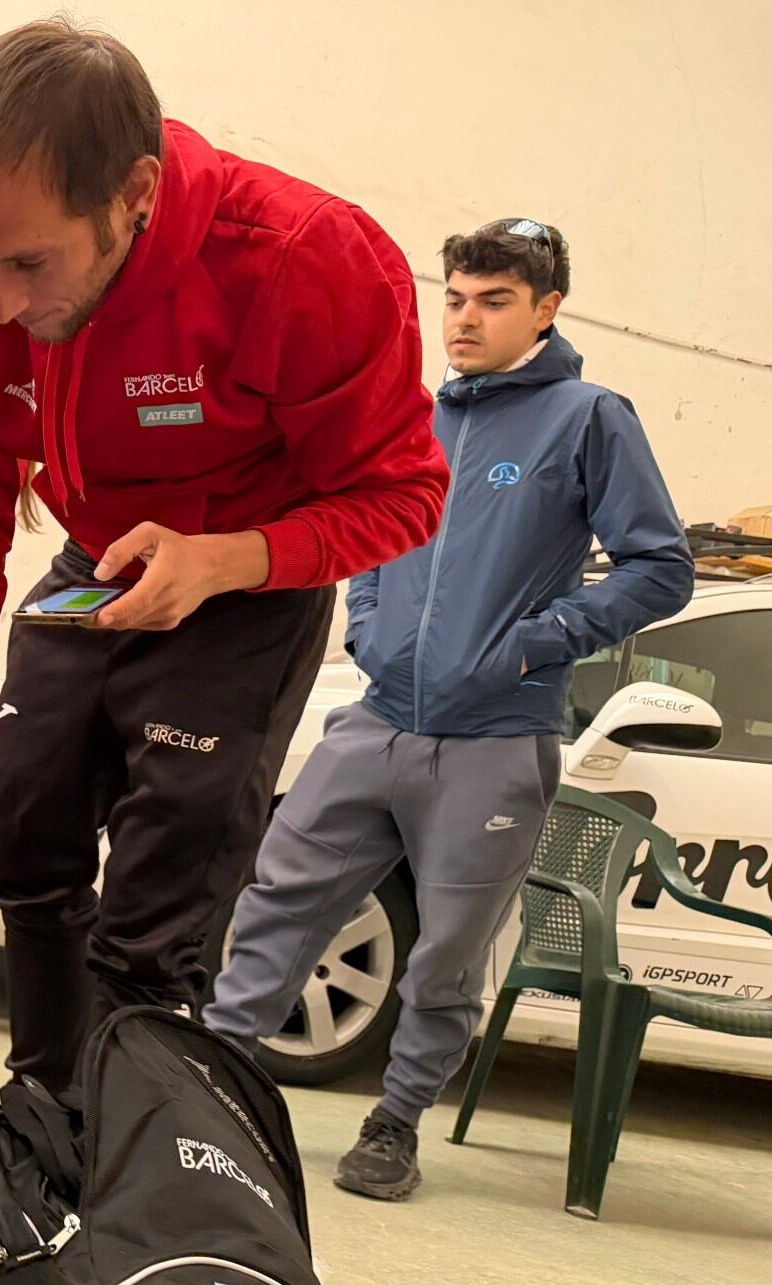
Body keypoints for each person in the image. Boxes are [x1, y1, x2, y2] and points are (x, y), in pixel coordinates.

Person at [0, 20, 451, 1102]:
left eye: (27, 262)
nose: (0, 302)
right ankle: (36, 1124)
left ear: (133, 192)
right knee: (21, 850)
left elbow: (405, 494)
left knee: (156, 909)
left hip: (245, 586)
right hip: (96, 565)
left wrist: (227, 558)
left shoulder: (303, 260)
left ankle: (120, 1166)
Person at [205, 220, 694, 1201]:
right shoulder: (413, 417)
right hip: (379, 718)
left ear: (545, 309)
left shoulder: (587, 417)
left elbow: (659, 565)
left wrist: (538, 638)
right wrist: (368, 626)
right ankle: (207, 1083)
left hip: (494, 738)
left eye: (493, 301)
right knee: (274, 899)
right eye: (455, 298)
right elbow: (371, 531)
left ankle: (393, 1125)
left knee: (446, 953)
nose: (464, 320)